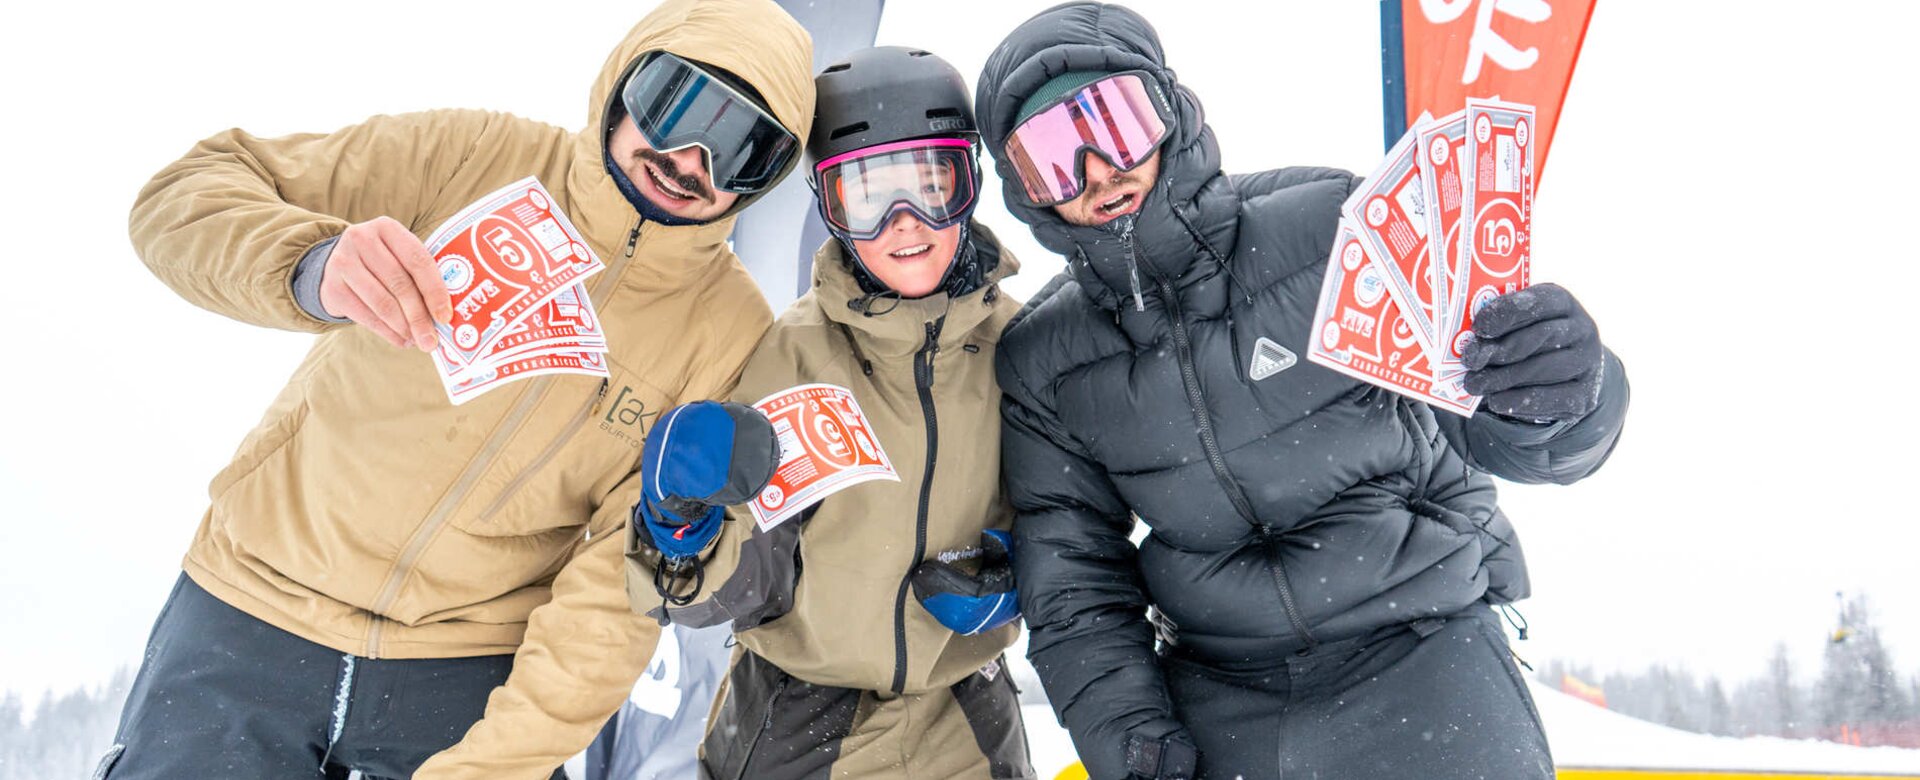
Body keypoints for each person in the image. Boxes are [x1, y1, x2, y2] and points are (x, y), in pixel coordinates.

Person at [106, 2, 814, 778]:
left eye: (741, 146)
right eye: (676, 104)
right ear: (623, 82)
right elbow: (186, 195)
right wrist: (311, 265)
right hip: (251, 614)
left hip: (463, 671)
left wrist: (494, 765)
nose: (690, 160)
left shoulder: (727, 333)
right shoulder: (473, 158)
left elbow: (618, 586)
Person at [973, 4, 1631, 780]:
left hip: (1421, 644)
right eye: (1050, 157)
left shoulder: (1329, 227)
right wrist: (1129, 732)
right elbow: (1074, 571)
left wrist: (1559, 398)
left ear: (1167, 110)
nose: (1094, 171)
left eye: (1113, 123)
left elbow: (1496, 428)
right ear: (1022, 190)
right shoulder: (1045, 357)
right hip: (1222, 687)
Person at [623, 46, 1035, 780]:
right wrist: (682, 527)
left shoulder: (1021, 344)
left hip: (968, 718)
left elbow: (1075, 515)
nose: (906, 225)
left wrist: (1025, 569)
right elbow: (722, 595)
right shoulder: (795, 353)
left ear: (967, 182)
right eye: (869, 197)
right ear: (832, 209)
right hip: (796, 723)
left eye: (931, 185)